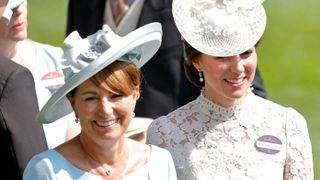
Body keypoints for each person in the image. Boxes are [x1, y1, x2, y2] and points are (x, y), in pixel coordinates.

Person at [147, 0, 314, 179]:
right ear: (196, 61)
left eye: (246, 53)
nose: (238, 68)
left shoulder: (288, 124)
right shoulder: (164, 133)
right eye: (223, 57)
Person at [23, 23, 177, 179]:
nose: (105, 110)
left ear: (135, 94)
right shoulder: (47, 169)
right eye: (91, 98)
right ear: (73, 103)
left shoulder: (159, 163)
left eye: (116, 95)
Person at [66, 0, 264, 119]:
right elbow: (76, 72)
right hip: (102, 138)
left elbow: (240, 75)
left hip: (172, 143)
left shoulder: (192, 6)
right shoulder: (82, 3)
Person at [0, 0, 77, 148]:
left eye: (21, 1)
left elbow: (74, 125)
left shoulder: (55, 58)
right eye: (6, 4)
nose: (18, 11)